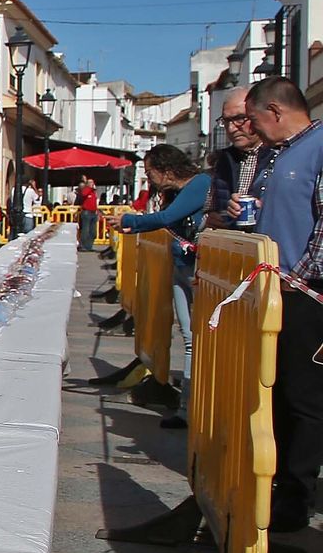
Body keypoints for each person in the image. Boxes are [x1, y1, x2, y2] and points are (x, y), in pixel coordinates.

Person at [239, 76, 323, 531]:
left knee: (304, 398)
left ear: (274, 111)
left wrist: (299, 276)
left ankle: (296, 496)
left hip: (305, 295)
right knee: (279, 391)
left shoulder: (318, 146)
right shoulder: (278, 156)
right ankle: (278, 484)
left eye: (252, 119)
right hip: (279, 290)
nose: (251, 129)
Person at [110, 144, 209, 430]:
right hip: (182, 266)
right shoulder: (175, 192)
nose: (149, 177)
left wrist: (129, 221)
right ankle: (185, 409)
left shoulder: (200, 183)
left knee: (196, 340)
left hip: (197, 270)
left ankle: (192, 408)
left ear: (167, 169)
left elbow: (167, 218)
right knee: (189, 338)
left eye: (150, 171)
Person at [203, 87, 270, 229]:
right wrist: (210, 221)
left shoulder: (277, 156)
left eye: (240, 118)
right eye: (226, 121)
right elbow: (210, 209)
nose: (232, 128)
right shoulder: (224, 161)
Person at [77, 174, 100, 250]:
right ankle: (83, 246)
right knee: (85, 231)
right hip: (86, 212)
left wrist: (97, 212)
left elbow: (95, 203)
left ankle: (89, 246)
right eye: (90, 182)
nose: (92, 184)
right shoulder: (86, 190)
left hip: (93, 212)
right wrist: (88, 186)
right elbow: (83, 193)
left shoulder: (93, 192)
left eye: (93, 182)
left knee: (93, 231)